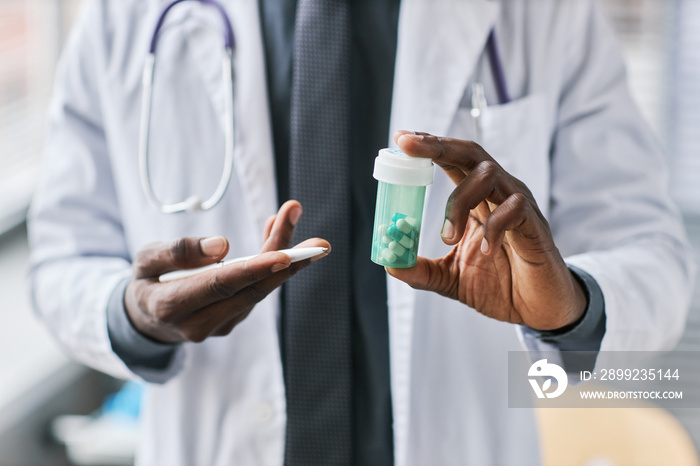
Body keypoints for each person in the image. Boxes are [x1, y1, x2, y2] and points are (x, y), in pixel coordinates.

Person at [28, 0, 694, 465]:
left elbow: (654, 258)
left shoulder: (541, 12)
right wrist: (131, 314)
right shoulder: (128, 14)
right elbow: (60, 258)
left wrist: (571, 306)